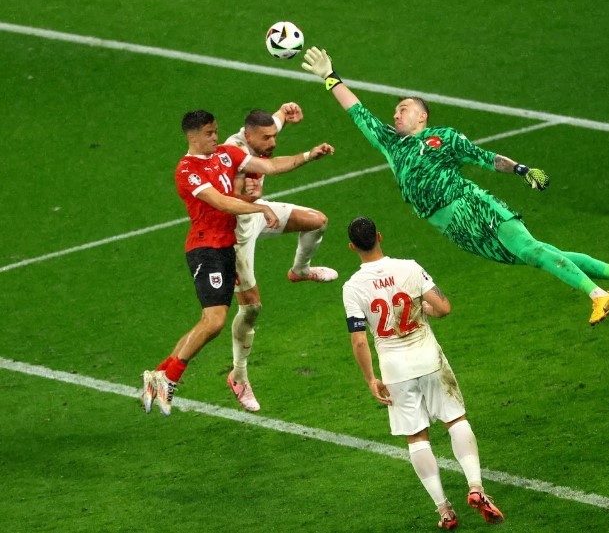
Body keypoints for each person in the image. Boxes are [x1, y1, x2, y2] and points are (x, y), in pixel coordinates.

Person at [302, 48, 609, 326]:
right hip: (456, 230)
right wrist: (330, 77)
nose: (396, 114)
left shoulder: (443, 137)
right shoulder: (392, 145)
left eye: (404, 109)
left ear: (422, 117)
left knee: (532, 251)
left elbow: (485, 158)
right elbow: (358, 111)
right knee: (536, 254)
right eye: (395, 111)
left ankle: (599, 295)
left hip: (473, 206)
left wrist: (521, 169)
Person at [140, 109, 334, 416]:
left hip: (226, 244)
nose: (215, 137)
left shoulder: (226, 154)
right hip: (207, 248)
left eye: (216, 131)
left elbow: (270, 164)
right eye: (209, 133)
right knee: (216, 321)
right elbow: (221, 202)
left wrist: (309, 154)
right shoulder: (187, 170)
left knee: (211, 322)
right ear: (192, 136)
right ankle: (176, 377)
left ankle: (161, 375)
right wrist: (257, 206)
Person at [342, 216, 505, 529]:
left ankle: (445, 511)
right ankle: (476, 487)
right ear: (379, 236)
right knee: (455, 420)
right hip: (429, 358)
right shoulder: (410, 267)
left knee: (417, 437)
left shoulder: (352, 287)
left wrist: (370, 379)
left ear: (352, 247)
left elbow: (359, 340)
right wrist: (426, 310)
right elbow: (443, 307)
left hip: (395, 370)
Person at [223, 102, 338, 411]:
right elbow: (228, 199)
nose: (272, 142)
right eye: (266, 138)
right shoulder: (233, 152)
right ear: (248, 135)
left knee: (318, 221)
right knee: (251, 308)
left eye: (274, 136)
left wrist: (287, 110)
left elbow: (279, 118)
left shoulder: (261, 133)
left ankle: (300, 270)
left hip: (259, 214)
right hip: (234, 234)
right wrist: (309, 155)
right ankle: (239, 376)